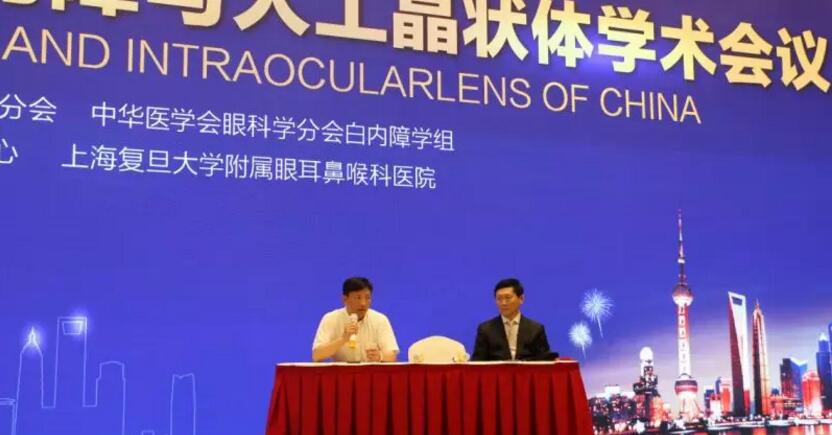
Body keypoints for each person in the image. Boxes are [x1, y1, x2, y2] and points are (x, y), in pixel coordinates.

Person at [312, 277, 399, 362]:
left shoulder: (380, 320)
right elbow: (316, 355)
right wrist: (343, 339)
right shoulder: (330, 319)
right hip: (342, 371)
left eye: (367, 298)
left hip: (371, 370)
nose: (363, 303)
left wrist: (380, 356)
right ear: (345, 299)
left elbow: (392, 355)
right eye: (358, 298)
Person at [471, 278, 557, 361]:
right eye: (499, 299)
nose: (503, 303)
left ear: (521, 299)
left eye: (508, 298)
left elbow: (544, 360)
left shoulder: (535, 329)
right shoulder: (485, 329)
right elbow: (478, 362)